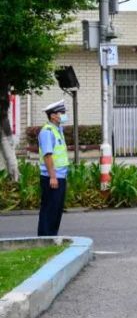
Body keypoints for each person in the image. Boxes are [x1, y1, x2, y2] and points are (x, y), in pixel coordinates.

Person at [37, 100, 70, 237]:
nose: (64, 115)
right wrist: (53, 176)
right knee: (49, 209)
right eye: (61, 113)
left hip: (60, 177)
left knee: (56, 210)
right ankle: (45, 238)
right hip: (52, 178)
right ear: (52, 116)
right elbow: (48, 156)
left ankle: (52, 236)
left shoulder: (58, 130)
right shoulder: (47, 132)